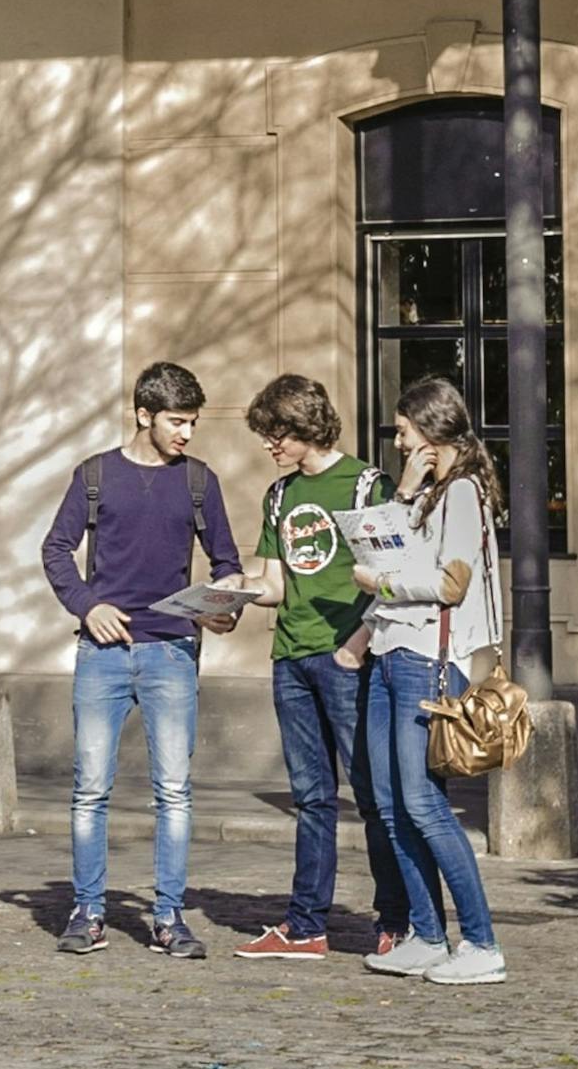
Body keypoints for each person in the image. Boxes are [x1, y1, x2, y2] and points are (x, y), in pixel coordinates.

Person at [40, 361, 242, 959]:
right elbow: (55, 550)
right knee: (90, 790)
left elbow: (226, 562)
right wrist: (86, 605)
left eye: (193, 423)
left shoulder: (199, 482)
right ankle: (87, 911)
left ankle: (169, 917)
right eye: (177, 421)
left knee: (175, 791)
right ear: (143, 414)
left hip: (173, 653)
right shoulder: (95, 476)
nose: (186, 433)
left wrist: (222, 606)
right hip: (101, 654)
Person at [229, 374, 411, 962]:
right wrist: (230, 593)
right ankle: (306, 925)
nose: (269, 445)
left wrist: (357, 644)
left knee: (374, 795)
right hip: (291, 659)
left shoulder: (365, 486)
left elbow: (393, 580)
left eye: (276, 433)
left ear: (305, 426)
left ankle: (397, 920)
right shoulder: (279, 496)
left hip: (346, 659)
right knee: (311, 797)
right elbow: (276, 585)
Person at [350, 376, 508, 985]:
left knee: (424, 805)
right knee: (392, 806)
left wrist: (381, 585)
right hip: (391, 653)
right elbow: (380, 545)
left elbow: (450, 584)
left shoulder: (463, 494)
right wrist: (408, 488)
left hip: (427, 660)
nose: (396, 442)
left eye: (403, 432)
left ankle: (482, 943)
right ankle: (425, 932)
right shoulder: (426, 494)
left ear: (433, 435)